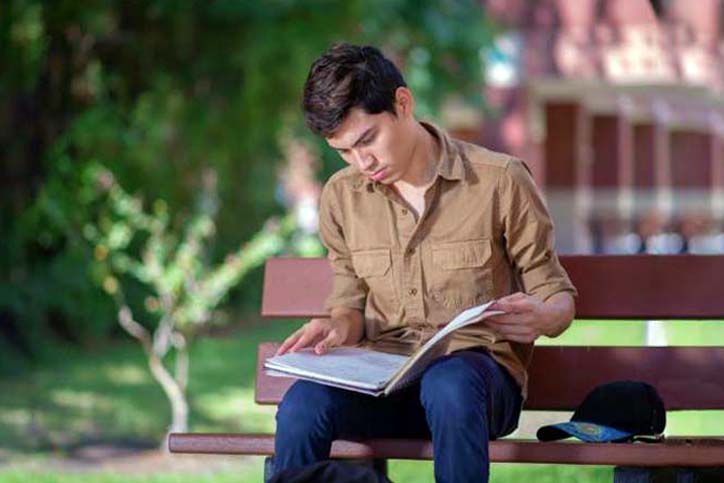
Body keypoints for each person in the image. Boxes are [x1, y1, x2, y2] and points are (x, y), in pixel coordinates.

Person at [272, 43, 577, 483]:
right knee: (303, 404)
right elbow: (349, 305)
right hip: (381, 383)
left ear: (403, 102)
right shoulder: (341, 197)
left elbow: (556, 295)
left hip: (475, 387)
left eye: (367, 140)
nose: (363, 163)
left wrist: (543, 318)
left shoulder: (499, 180)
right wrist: (336, 327)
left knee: (447, 384)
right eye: (344, 152)